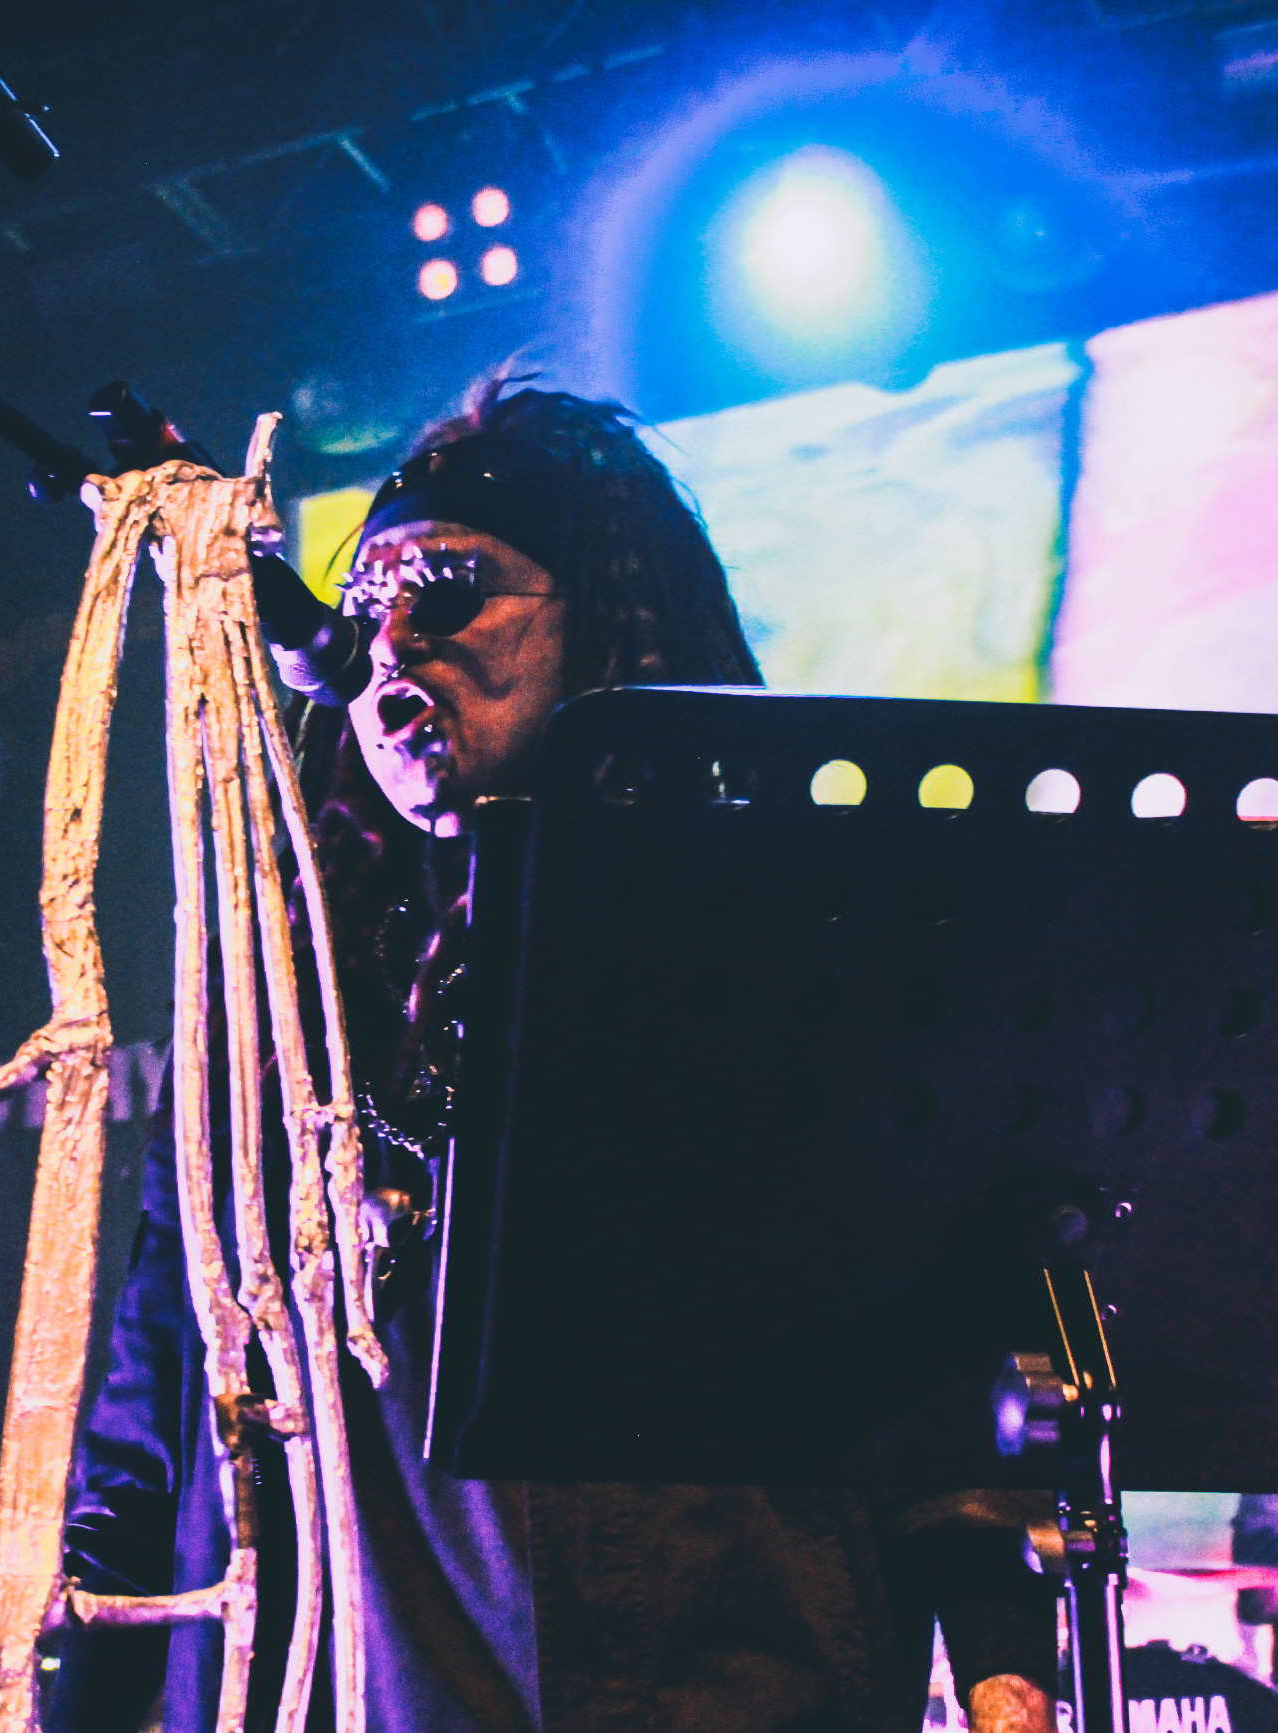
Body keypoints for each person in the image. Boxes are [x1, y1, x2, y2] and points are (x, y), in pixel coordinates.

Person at [52, 379, 1058, 1733]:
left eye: (449, 593)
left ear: (608, 630)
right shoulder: (288, 993)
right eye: (366, 606)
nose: (389, 644)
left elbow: (933, 1353)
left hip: (718, 1683)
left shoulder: (790, 958)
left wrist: (1004, 1663)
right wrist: (86, 1676)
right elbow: (156, 1377)